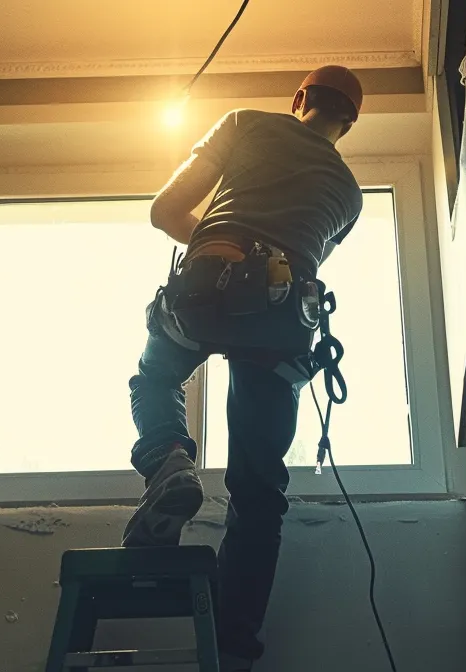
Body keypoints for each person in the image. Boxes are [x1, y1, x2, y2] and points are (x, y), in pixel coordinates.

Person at [122, 65, 365, 670]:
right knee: (259, 494)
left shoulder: (245, 124)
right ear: (349, 123)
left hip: (208, 284)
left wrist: (212, 242)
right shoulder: (350, 193)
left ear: (300, 98)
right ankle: (233, 648)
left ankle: (168, 460)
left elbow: (165, 211)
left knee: (154, 378)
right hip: (284, 320)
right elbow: (302, 251)